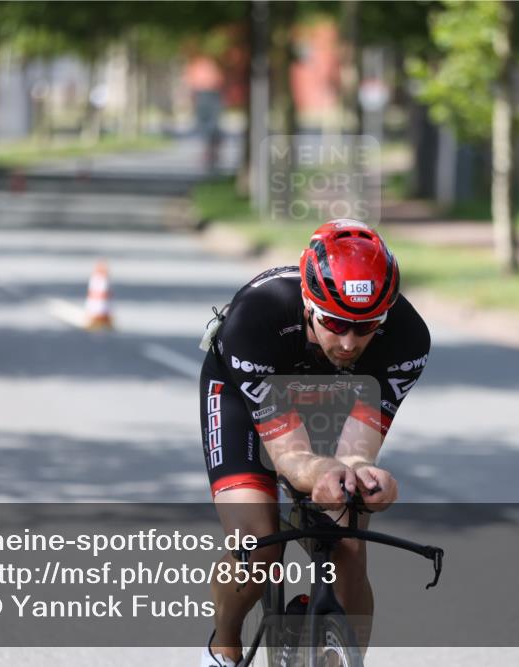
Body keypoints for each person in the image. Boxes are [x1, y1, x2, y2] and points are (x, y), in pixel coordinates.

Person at [198, 220, 430, 666]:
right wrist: (321, 472)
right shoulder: (257, 317)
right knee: (258, 543)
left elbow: (357, 451)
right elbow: (290, 456)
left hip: (336, 399)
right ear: (309, 305)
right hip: (246, 400)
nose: (348, 342)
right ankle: (223, 647)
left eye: (365, 328)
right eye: (335, 323)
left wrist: (365, 476)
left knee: (347, 542)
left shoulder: (407, 337)